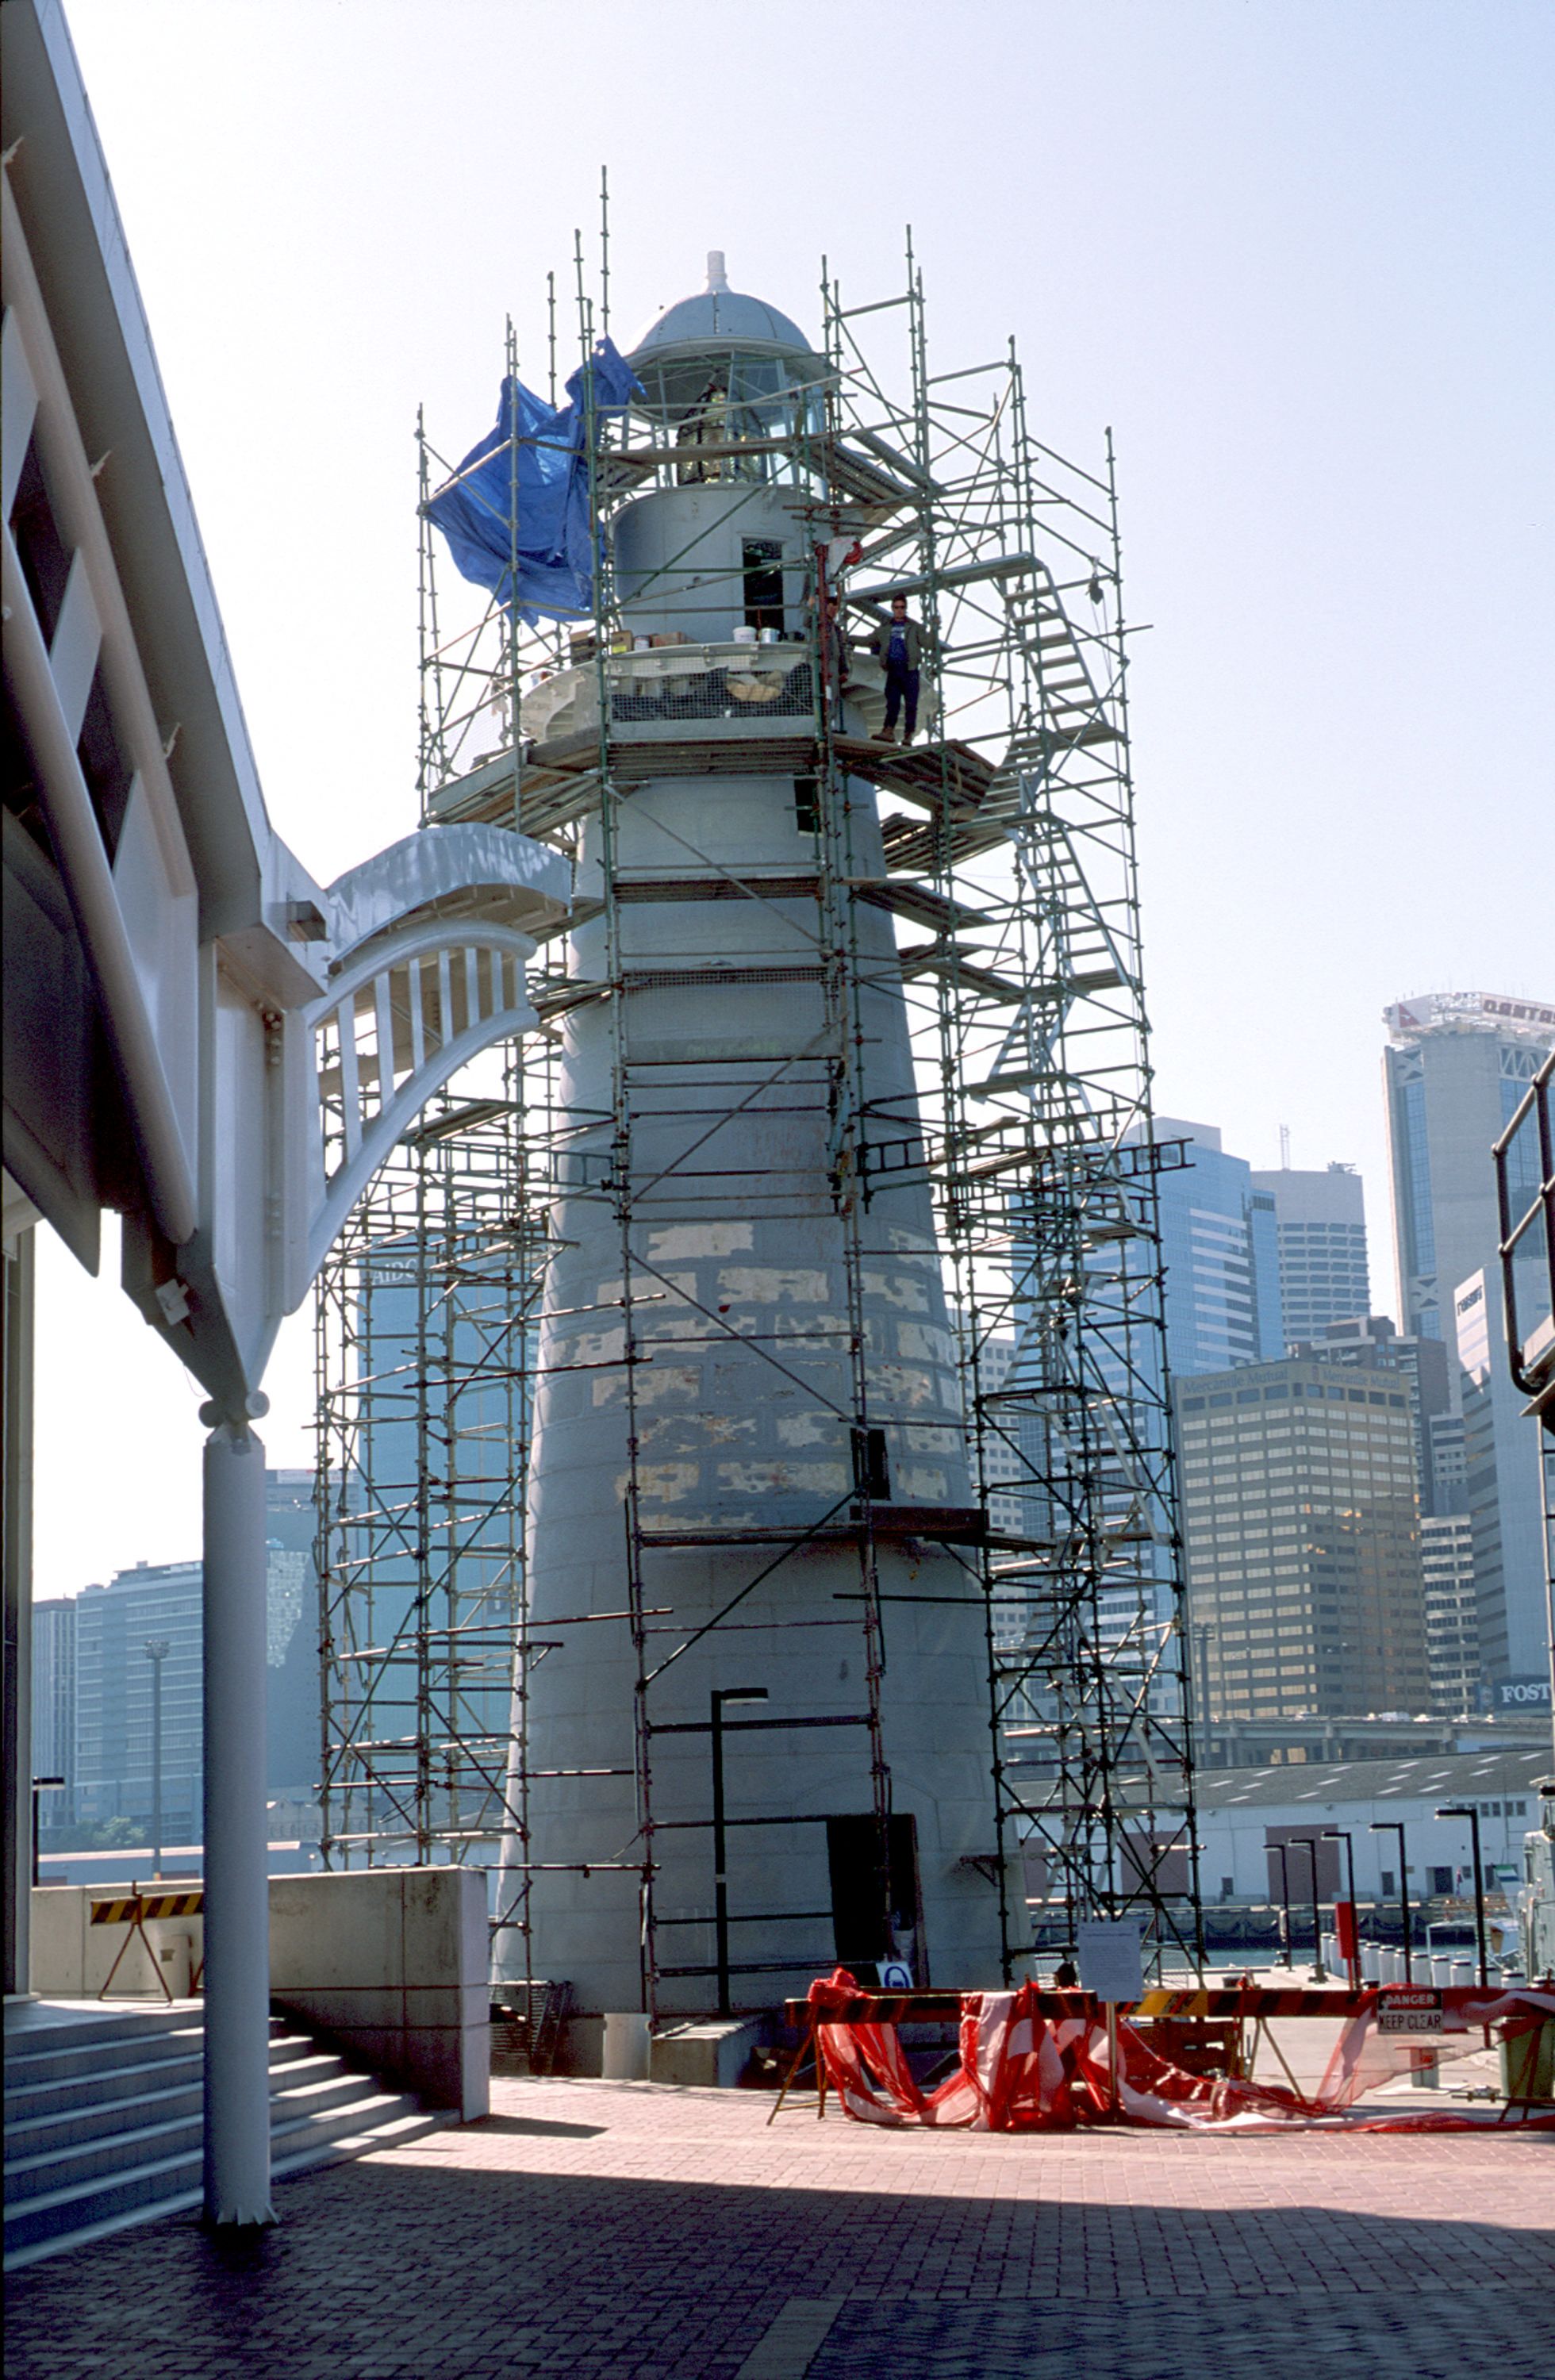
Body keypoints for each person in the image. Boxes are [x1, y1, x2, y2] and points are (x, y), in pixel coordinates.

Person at [870, 593, 923, 744]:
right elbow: (869, 640)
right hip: (894, 668)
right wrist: (847, 638)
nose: (899, 610)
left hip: (910, 669)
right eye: (896, 607)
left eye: (902, 607)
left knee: (911, 704)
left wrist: (934, 627)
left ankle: (908, 734)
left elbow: (928, 642)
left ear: (906, 609)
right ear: (892, 608)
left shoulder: (915, 627)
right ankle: (888, 731)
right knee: (892, 702)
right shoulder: (885, 628)